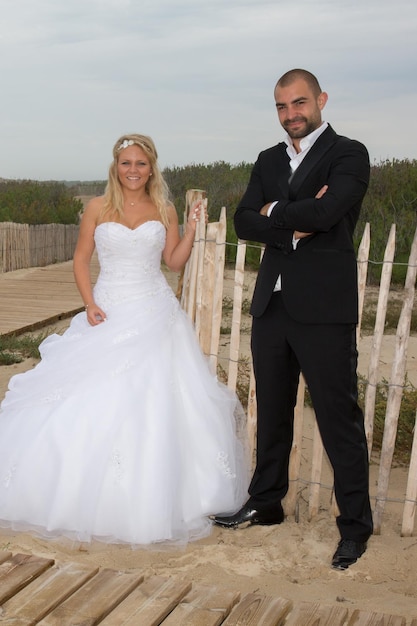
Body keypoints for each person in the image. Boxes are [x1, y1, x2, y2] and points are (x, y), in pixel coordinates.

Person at [0, 133, 249, 547]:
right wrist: (89, 303)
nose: (133, 170)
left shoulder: (165, 208)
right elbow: (81, 259)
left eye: (140, 163)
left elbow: (172, 262)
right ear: (115, 167)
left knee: (156, 400)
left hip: (155, 312)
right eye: (125, 163)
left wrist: (191, 229)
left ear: (152, 167)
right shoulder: (97, 208)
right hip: (108, 310)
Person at [212, 69, 373, 570]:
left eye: (299, 103)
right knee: (273, 412)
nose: (291, 115)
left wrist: (274, 209)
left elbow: (328, 217)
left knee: (337, 417)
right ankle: (266, 503)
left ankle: (355, 527)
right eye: (282, 107)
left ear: (321, 99)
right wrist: (293, 223)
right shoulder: (267, 158)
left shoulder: (349, 153)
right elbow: (242, 220)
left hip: (324, 308)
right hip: (272, 305)